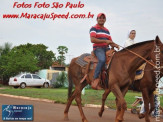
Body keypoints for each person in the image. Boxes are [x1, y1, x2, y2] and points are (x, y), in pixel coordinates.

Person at [89, 13, 119, 90]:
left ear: (105, 20)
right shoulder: (93, 28)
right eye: (100, 18)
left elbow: (110, 41)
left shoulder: (107, 30)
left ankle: (111, 78)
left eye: (103, 18)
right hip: (98, 48)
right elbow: (92, 40)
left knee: (116, 59)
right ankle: (95, 79)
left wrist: (115, 45)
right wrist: (106, 41)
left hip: (106, 48)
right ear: (97, 19)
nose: (101, 19)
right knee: (102, 60)